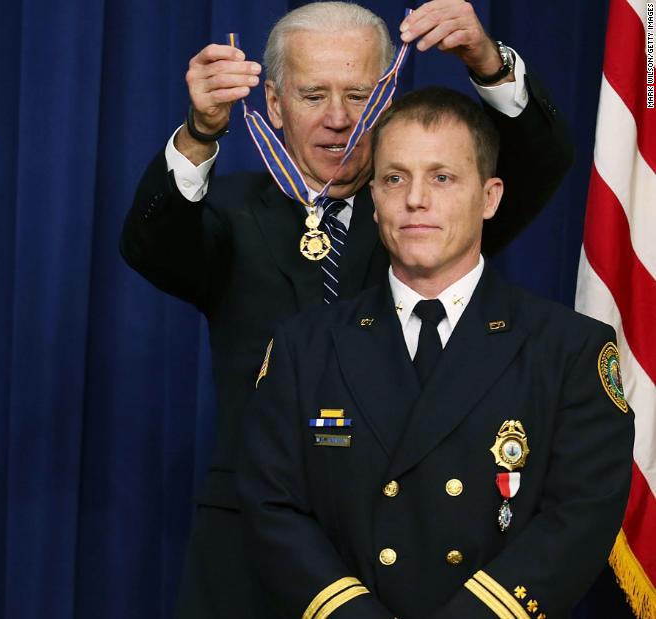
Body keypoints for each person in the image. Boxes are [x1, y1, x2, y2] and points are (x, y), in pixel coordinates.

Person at [120, 1, 574, 616]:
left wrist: (488, 63)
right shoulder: (226, 213)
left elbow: (544, 160)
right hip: (252, 551)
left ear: (386, 99)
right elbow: (149, 247)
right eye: (313, 96)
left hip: (405, 553)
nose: (339, 119)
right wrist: (199, 134)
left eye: (360, 94)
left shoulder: (428, 215)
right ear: (275, 106)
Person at [236, 86, 633, 618]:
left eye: (442, 178)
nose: (415, 199)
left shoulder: (570, 350)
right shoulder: (304, 346)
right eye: (395, 178)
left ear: (489, 197)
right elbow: (271, 508)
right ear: (373, 199)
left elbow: (579, 519)